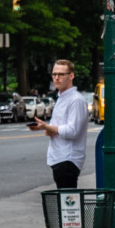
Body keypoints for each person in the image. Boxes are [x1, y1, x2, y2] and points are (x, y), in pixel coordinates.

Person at [30, 58, 89, 188]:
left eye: (61, 74)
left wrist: (47, 126)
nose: (56, 78)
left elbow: (73, 131)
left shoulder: (76, 100)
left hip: (68, 159)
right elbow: (60, 126)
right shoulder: (62, 98)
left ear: (71, 76)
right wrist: (46, 128)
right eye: (54, 74)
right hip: (60, 158)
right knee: (65, 203)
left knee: (68, 204)